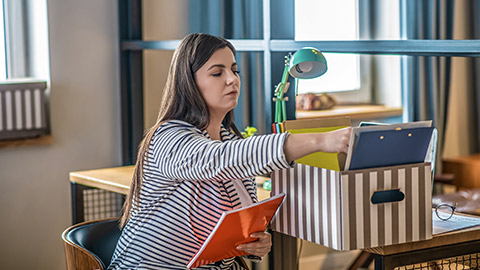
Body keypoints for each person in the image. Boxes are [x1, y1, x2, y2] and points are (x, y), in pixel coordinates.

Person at [108, 33, 351, 270]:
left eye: (234, 70)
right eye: (217, 73)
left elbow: (237, 223)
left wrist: (254, 243)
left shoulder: (229, 140)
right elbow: (217, 160)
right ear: (188, 83)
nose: (232, 79)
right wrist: (319, 141)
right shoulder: (168, 137)